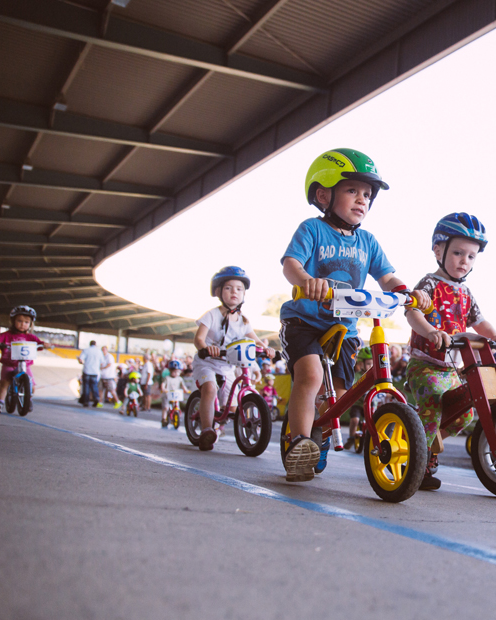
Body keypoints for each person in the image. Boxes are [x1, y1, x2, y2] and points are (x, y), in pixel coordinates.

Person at [279, 149, 427, 483]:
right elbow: (291, 263)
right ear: (323, 194)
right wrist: (306, 282)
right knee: (311, 376)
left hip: (343, 326)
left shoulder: (368, 242)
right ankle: (299, 442)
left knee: (342, 393)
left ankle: (322, 432)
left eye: (367, 195)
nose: (362, 200)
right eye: (352, 191)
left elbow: (387, 277)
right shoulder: (312, 230)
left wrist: (409, 293)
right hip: (304, 321)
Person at [405, 212, 496, 490]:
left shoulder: (466, 293)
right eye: (458, 253)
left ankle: (422, 442)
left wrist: (495, 333)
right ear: (439, 250)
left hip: (451, 368)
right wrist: (430, 331)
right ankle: (421, 459)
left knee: (465, 413)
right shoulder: (430, 284)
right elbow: (413, 312)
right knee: (433, 405)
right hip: (425, 365)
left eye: (471, 256)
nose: (465, 261)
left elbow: (479, 322)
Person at [193, 266, 275, 451]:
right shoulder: (211, 315)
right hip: (207, 362)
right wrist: (207, 348)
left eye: (239, 289)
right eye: (228, 288)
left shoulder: (243, 320)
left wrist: (266, 349)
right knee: (210, 388)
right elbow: (198, 339)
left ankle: (222, 425)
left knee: (231, 405)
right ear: (218, 292)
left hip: (227, 366)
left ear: (244, 294)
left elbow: (254, 340)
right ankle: (207, 429)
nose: (234, 292)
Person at [0, 306, 49, 413]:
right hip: (9, 364)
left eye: (26, 322)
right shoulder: (6, 335)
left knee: (32, 385)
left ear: (30, 324)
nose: (23, 324)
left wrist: (45, 344)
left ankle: (28, 399)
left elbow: (39, 344)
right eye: (19, 321)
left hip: (25, 365)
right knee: (4, 382)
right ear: (13, 321)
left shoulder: (31, 337)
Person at [344, 347, 374, 451]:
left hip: (371, 404)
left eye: (372, 363)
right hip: (358, 403)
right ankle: (351, 437)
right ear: (361, 363)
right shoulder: (357, 375)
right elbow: (353, 385)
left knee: (374, 420)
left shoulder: (373, 376)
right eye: (368, 363)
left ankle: (373, 439)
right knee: (355, 420)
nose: (370, 366)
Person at [160, 360, 187, 427]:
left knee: (176, 405)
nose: (176, 373)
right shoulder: (167, 378)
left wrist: (185, 390)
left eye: (178, 371)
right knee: (166, 407)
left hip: (176, 395)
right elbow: (163, 384)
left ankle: (175, 416)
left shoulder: (180, 379)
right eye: (174, 371)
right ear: (170, 371)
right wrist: (163, 388)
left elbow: (183, 386)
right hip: (167, 394)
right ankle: (164, 418)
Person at [77, 340, 102, 407]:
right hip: (95, 371)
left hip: (87, 371)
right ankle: (96, 398)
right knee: (94, 386)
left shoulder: (86, 350)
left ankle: (86, 401)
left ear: (90, 344)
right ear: (95, 344)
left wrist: (81, 362)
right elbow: (102, 362)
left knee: (86, 386)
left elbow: (80, 359)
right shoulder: (99, 351)